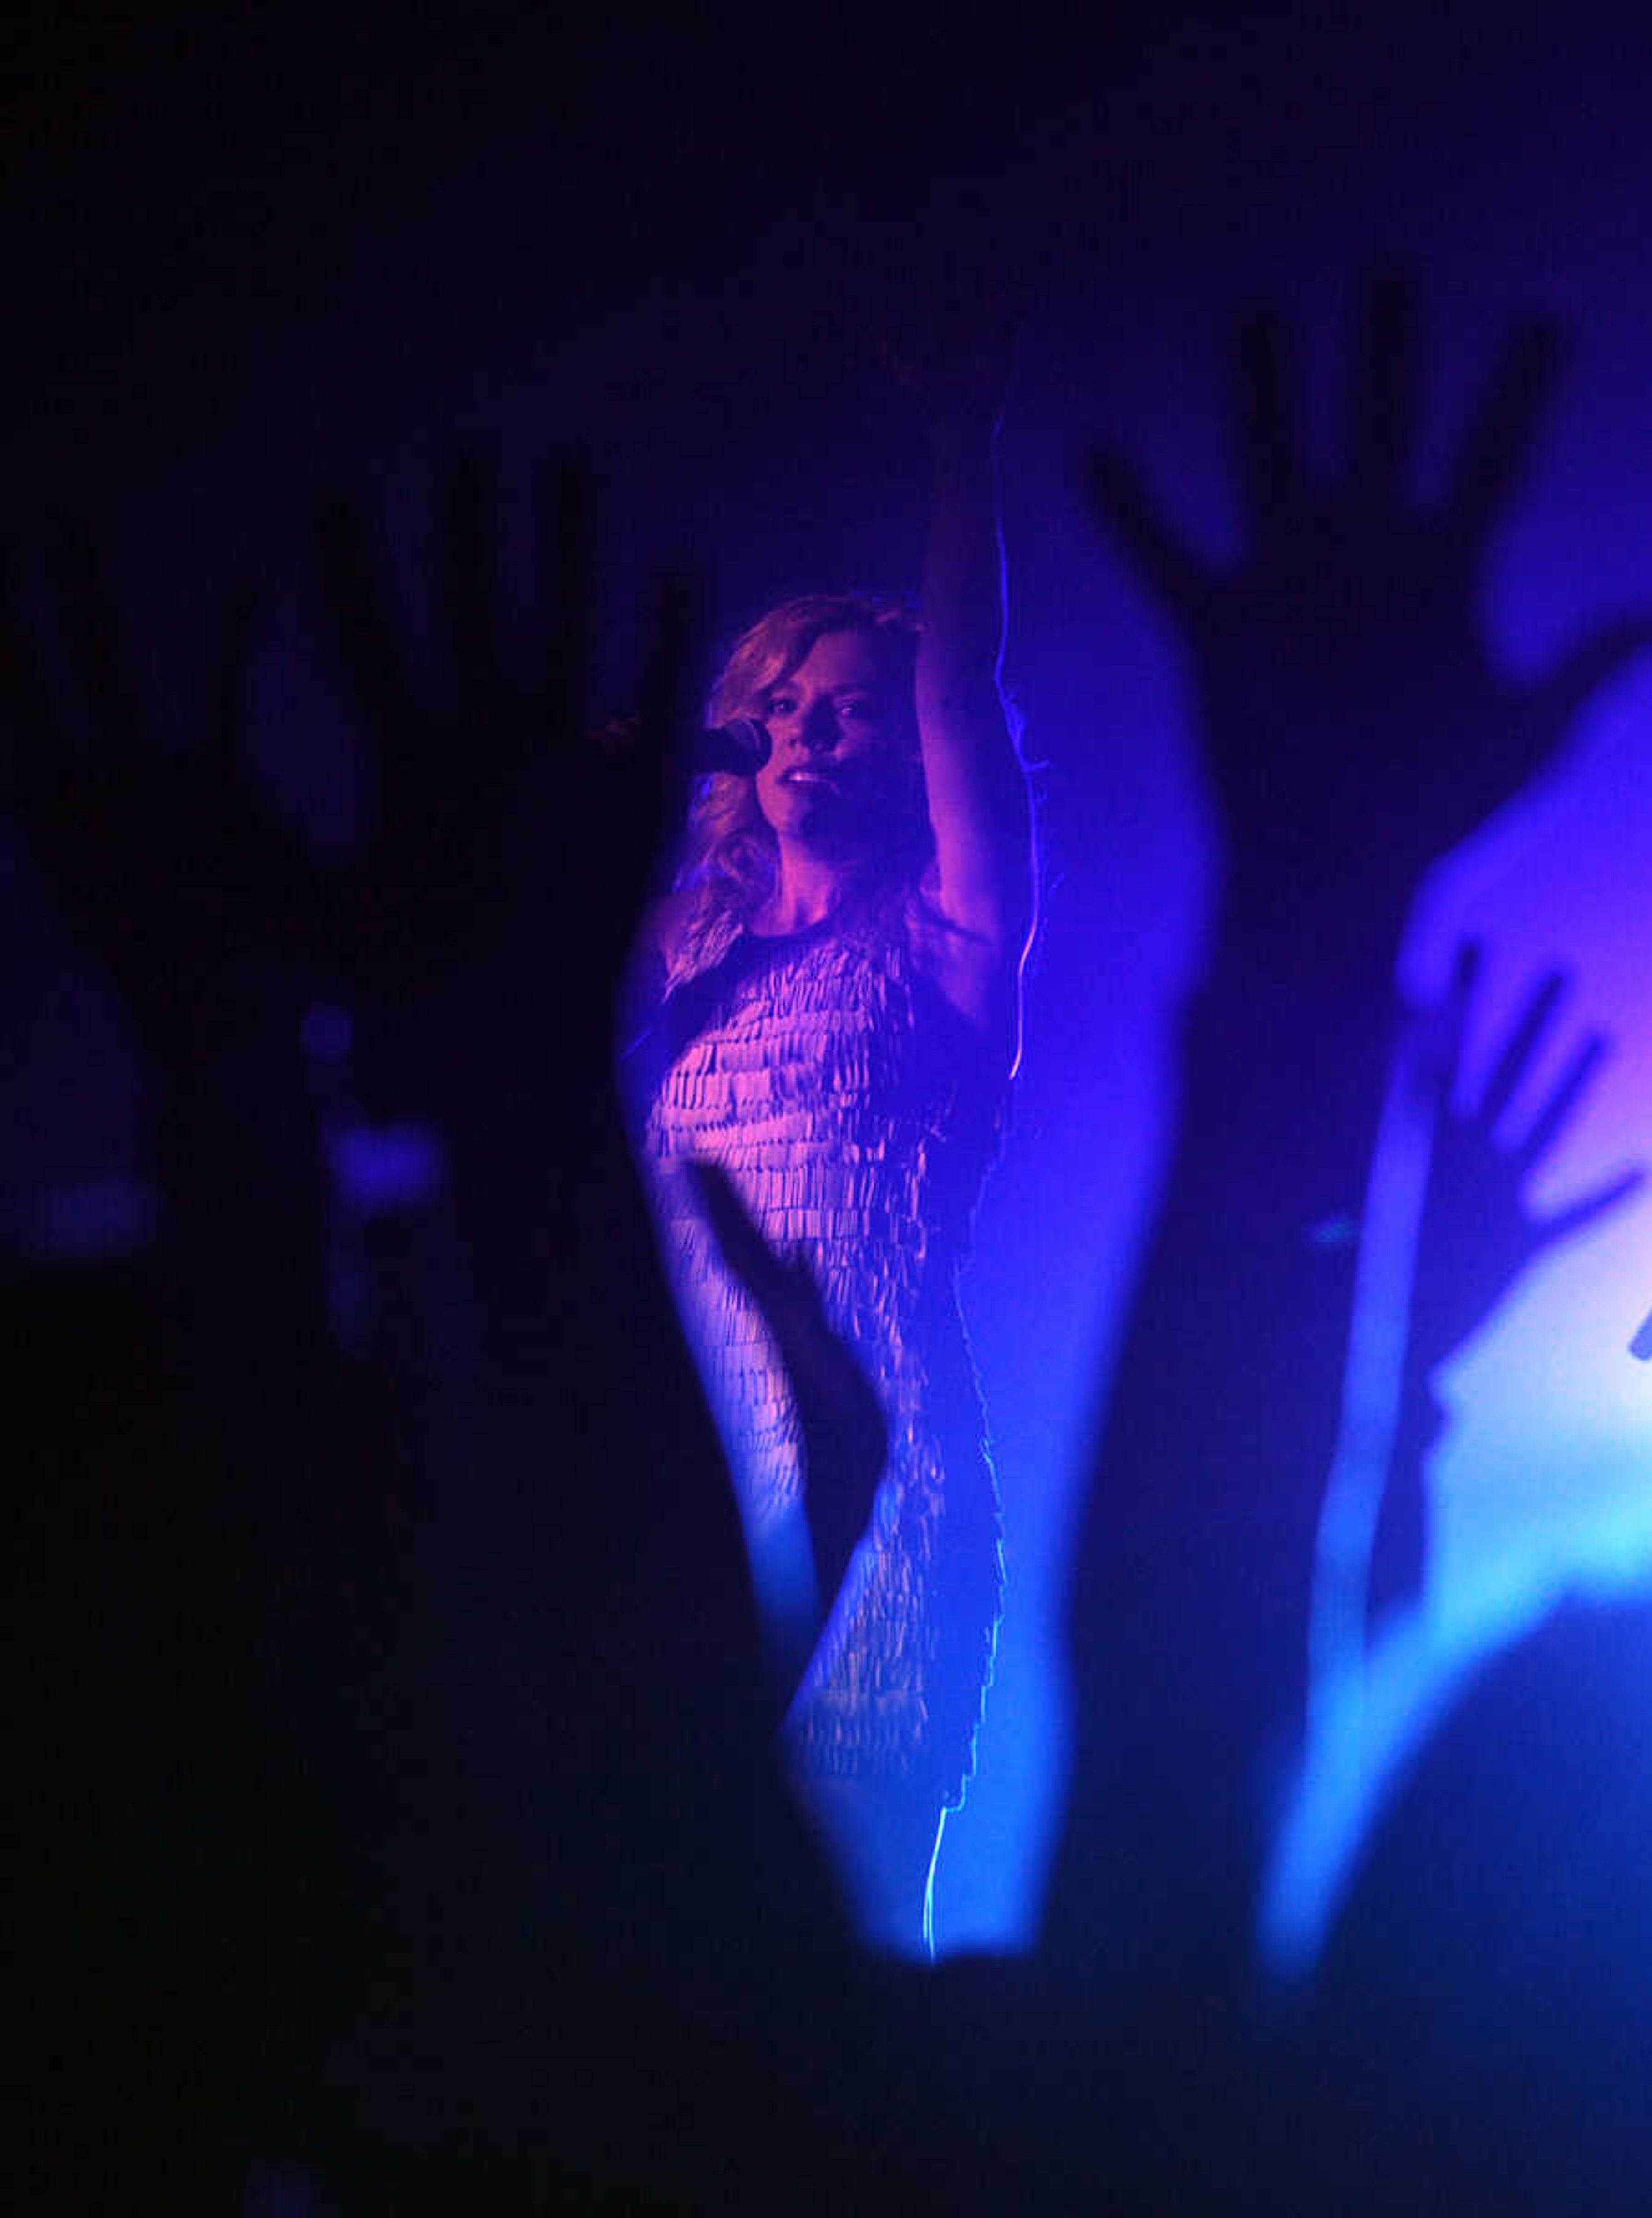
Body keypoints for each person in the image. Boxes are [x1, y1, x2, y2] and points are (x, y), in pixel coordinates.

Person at [638, 384, 1034, 1956]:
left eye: (855, 706)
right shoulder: (684, 958)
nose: (811, 728)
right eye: (789, 703)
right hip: (695, 1493)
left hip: (889, 1504)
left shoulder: (949, 945)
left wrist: (958, 431)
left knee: (861, 1950)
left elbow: (970, 697)